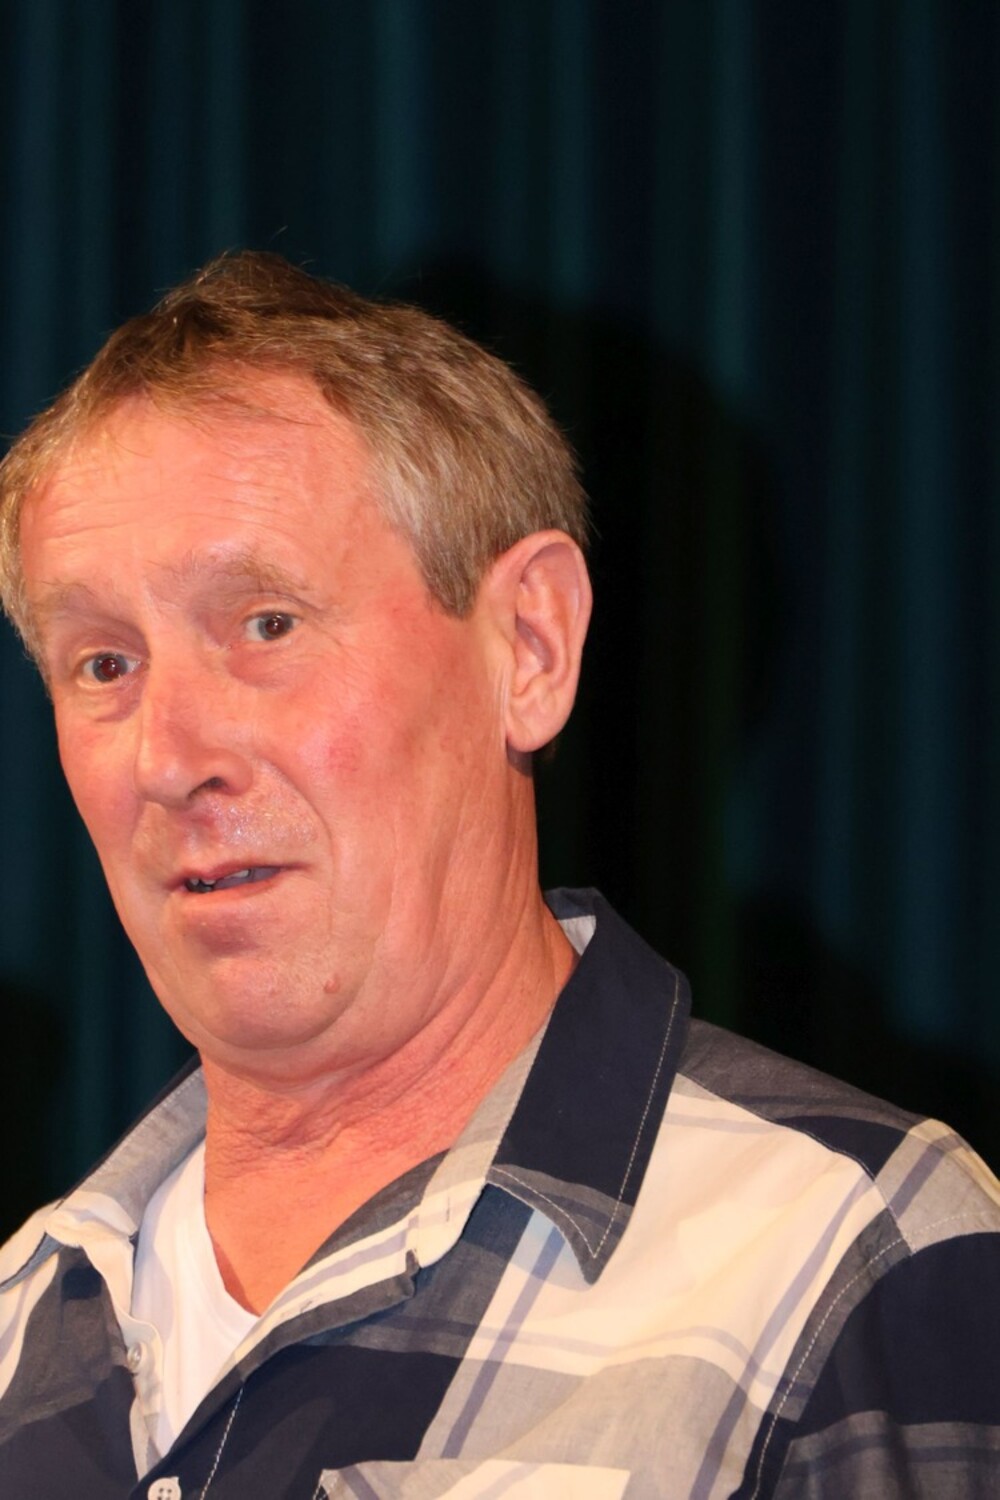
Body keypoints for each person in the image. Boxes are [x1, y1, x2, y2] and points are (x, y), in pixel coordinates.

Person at [0, 253, 997, 1500]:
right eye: (103, 665)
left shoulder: (857, 1259)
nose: (166, 759)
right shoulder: (22, 1318)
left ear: (528, 647)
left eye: (266, 625)